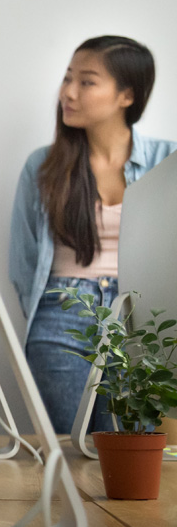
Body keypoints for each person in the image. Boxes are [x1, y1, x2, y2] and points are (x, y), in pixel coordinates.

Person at [10, 35, 175, 434]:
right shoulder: (43, 165)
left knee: (136, 454)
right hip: (62, 314)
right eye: (68, 79)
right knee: (71, 451)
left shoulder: (166, 161)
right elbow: (23, 261)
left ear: (126, 95)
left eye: (87, 81)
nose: (68, 92)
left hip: (140, 316)